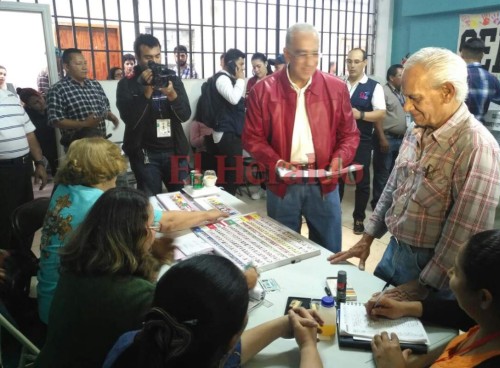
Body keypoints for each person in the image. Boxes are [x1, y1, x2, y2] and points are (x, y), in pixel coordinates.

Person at [329, 47, 500, 301]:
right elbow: (392, 189)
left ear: (447, 92)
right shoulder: (417, 131)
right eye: (405, 96)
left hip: (434, 273)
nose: (407, 107)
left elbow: (464, 235)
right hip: (395, 250)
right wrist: (367, 238)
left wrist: (421, 288)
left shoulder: (477, 148)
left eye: (415, 98)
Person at [37, 138, 226, 324]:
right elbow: (166, 222)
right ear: (106, 169)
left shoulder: (64, 188)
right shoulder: (99, 203)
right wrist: (207, 215)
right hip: (70, 314)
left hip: (52, 295)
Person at [243, 23, 359, 253]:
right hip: (283, 183)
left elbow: (350, 135)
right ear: (287, 54)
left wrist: (339, 160)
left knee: (329, 250)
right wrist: (275, 163)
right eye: (302, 54)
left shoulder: (335, 88)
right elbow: (251, 137)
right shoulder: (263, 90)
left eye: (315, 53)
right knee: (282, 251)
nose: (310, 61)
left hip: (324, 182)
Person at [104, 254, 323, 368]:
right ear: (230, 341)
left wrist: (283, 324)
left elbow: (218, 351)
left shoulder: (132, 344)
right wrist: (308, 346)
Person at [35, 187, 171, 367]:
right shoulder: (136, 294)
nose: (154, 234)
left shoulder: (79, 263)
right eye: (153, 226)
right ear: (140, 234)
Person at [370, 229, 500, 368]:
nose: (449, 272)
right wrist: (406, 308)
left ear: (484, 297)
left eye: (456, 271)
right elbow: (459, 314)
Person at [116, 34, 191, 196]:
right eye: (148, 57)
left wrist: (171, 94)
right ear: (137, 57)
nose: (154, 62)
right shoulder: (127, 83)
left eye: (157, 56)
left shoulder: (171, 77)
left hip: (175, 150)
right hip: (145, 155)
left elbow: (185, 115)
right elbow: (131, 121)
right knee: (150, 203)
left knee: (183, 199)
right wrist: (146, 91)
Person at [338, 48, 386, 235]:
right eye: (349, 61)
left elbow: (381, 113)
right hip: (339, 141)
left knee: (362, 181)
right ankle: (336, 213)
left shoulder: (373, 86)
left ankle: (359, 218)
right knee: (338, 178)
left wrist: (361, 114)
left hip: (361, 141)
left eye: (356, 61)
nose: (351, 65)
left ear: (365, 63)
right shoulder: (340, 83)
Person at [0, 89, 48, 248]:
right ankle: (6, 262)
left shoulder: (11, 98)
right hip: (2, 170)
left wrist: (39, 163)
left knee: (24, 214)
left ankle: (22, 255)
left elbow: (29, 134)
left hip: (23, 166)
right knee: (4, 218)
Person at [46, 48, 120, 148]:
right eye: (79, 63)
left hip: (101, 143)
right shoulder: (57, 90)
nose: (84, 67)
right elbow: (55, 120)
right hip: (78, 147)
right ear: (67, 67)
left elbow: (104, 108)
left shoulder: (95, 84)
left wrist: (110, 116)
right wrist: (84, 124)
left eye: (85, 63)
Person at [204, 48, 246, 195]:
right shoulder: (222, 78)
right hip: (226, 133)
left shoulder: (227, 78)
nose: (242, 68)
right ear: (231, 63)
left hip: (229, 131)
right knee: (233, 174)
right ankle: (228, 206)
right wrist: (241, 79)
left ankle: (225, 205)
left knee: (229, 173)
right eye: (240, 64)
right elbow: (234, 99)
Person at [371, 64, 407, 209]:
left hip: (401, 138)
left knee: (395, 175)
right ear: (391, 78)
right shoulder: (383, 92)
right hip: (387, 138)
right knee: (382, 174)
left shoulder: (402, 92)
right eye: (400, 75)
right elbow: (377, 118)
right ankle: (378, 205)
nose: (403, 78)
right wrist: (382, 138)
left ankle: (390, 204)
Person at [245, 52, 273, 200]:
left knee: (272, 159)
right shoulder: (251, 82)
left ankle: (272, 188)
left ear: (266, 64)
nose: (256, 70)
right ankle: (263, 187)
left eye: (259, 66)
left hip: (273, 125)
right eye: (253, 67)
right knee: (260, 159)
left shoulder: (275, 79)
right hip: (256, 125)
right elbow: (247, 102)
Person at [460, 37, 500, 122]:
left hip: (452, 130)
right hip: (477, 131)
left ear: (462, 55)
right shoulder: (491, 78)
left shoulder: (453, 75)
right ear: (482, 55)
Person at [17, 87, 59, 175]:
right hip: (45, 146)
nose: (41, 102)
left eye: (40, 98)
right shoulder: (27, 115)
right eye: (35, 102)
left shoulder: (52, 103)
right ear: (29, 106)